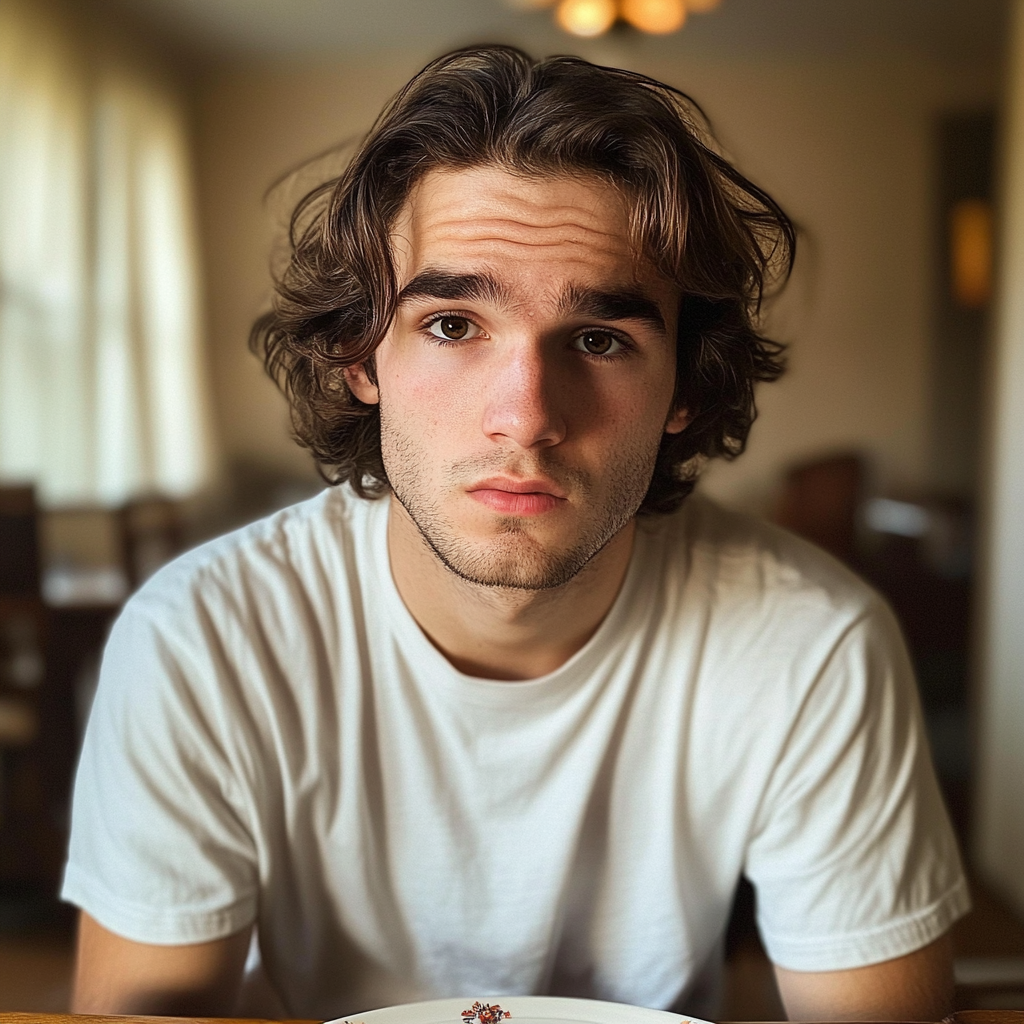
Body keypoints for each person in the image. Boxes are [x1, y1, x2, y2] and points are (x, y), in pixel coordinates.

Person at [64, 46, 969, 1021]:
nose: (526, 415)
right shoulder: (202, 639)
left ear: (683, 388)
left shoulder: (812, 644)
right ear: (360, 357)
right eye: (453, 324)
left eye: (599, 338)